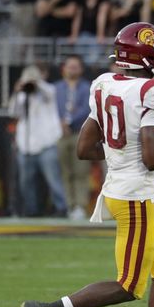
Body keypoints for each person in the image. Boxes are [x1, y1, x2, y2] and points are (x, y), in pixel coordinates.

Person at [21, 22, 154, 307]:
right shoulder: (152, 90)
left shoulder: (102, 83)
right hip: (134, 194)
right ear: (145, 54)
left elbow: (84, 147)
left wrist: (119, 153)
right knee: (128, 285)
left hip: (128, 191)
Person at [9, 65, 68, 217]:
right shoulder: (23, 95)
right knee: (26, 181)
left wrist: (36, 82)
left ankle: (61, 208)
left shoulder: (48, 89)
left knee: (53, 179)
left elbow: (48, 94)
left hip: (46, 143)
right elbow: (13, 113)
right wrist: (17, 92)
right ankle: (31, 210)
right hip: (26, 145)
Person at [55, 55, 91, 220]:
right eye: (70, 66)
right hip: (60, 135)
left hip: (79, 133)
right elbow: (52, 109)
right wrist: (59, 124)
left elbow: (86, 109)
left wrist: (68, 122)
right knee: (65, 172)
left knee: (81, 171)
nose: (72, 69)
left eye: (76, 66)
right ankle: (68, 205)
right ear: (64, 68)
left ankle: (80, 205)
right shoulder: (56, 88)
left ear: (81, 69)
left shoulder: (87, 87)